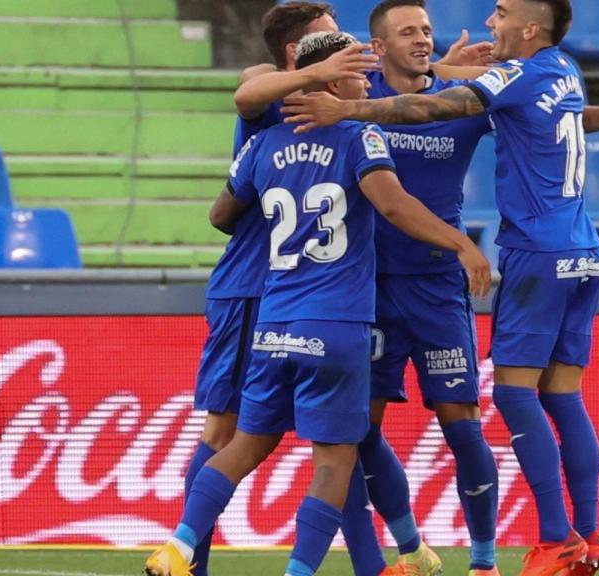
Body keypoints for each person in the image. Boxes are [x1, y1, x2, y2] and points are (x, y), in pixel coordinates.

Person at [280, 1, 599, 575]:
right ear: (380, 44)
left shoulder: (442, 91)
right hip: (395, 281)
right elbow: (552, 113)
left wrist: (349, 110)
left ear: (530, 27)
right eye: (408, 31)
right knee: (552, 398)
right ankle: (574, 536)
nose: (490, 22)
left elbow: (437, 104)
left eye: (501, 12)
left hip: (480, 269)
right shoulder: (558, 69)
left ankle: (521, 551)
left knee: (497, 404)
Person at [145, 31, 492, 576]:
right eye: (357, 71)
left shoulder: (261, 145)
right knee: (334, 461)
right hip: (336, 324)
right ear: (330, 80)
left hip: (273, 322)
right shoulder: (359, 136)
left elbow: (220, 214)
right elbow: (396, 207)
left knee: (242, 447)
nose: (365, 83)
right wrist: (462, 243)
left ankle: (179, 546)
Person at [186, 3, 384, 576]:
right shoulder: (272, 94)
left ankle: (371, 564)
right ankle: (186, 559)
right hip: (251, 286)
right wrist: (314, 75)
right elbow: (249, 88)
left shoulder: (341, 109)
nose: (347, 46)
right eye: (332, 38)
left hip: (300, 291)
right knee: (226, 430)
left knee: (347, 440)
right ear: (299, 51)